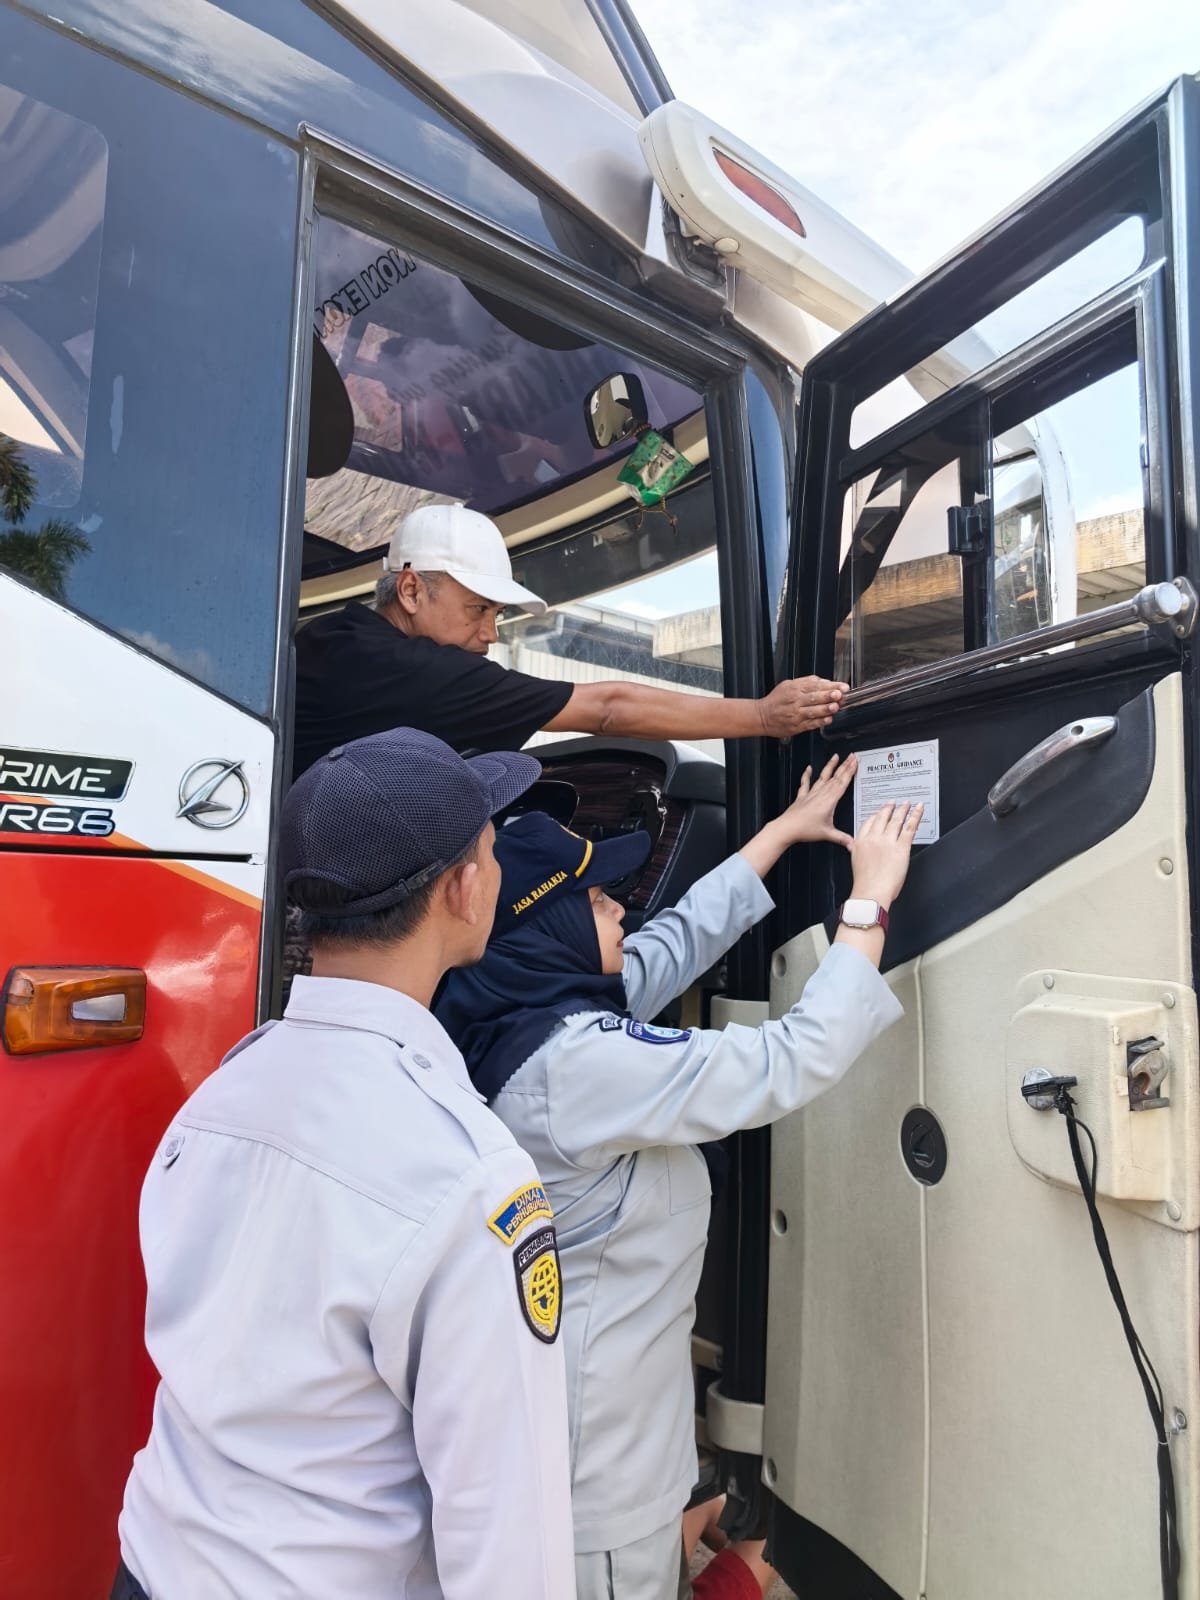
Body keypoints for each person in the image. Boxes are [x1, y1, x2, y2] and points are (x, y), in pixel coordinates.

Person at [435, 758, 921, 1600]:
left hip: (581, 1460)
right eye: (594, 898)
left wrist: (781, 831)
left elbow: (673, 941)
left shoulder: (512, 1017)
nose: (622, 906)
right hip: (602, 1502)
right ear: (536, 930)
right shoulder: (575, 1066)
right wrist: (868, 901)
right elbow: (790, 1059)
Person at [114, 729, 576, 1600]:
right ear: (464, 888)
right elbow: (511, 1537)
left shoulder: (221, 1093)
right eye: (492, 844)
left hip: (150, 1567)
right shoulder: (469, 1176)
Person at [292, 503, 847, 777]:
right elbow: (607, 710)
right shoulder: (415, 671)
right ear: (411, 590)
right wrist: (765, 717)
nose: (487, 637)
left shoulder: (328, 636)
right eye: (477, 610)